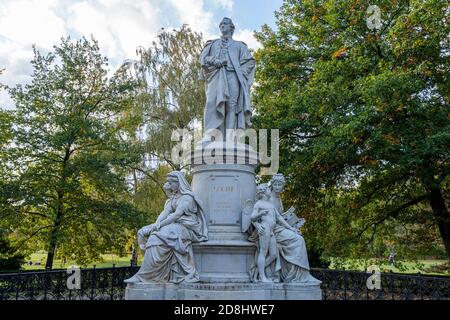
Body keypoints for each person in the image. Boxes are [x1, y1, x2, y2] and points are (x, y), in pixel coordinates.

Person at [125, 171, 208, 284]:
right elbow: (165, 213)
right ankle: (146, 275)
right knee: (154, 236)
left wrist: (158, 226)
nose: (167, 185)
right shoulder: (173, 198)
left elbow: (176, 215)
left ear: (178, 183)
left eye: (170, 182)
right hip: (176, 226)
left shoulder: (187, 198)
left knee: (158, 235)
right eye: (167, 182)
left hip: (188, 229)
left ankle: (145, 276)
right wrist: (155, 225)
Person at [199, 17, 256, 140]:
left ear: (232, 28)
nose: (222, 26)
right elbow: (203, 59)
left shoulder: (240, 46)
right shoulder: (212, 43)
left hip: (233, 76)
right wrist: (215, 61)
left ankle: (230, 138)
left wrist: (240, 72)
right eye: (220, 24)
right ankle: (210, 135)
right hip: (217, 76)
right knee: (211, 102)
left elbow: (250, 62)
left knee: (232, 106)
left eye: (225, 24)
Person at [267, 173, 320, 283]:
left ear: (283, 186)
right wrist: (290, 228)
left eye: (280, 185)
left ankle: (300, 274)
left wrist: (292, 223)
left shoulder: (278, 198)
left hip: (280, 227)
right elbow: (277, 219)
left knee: (298, 236)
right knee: (298, 240)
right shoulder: (270, 199)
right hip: (274, 230)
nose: (277, 187)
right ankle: (299, 276)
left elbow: (280, 217)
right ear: (272, 185)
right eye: (275, 184)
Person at [250, 184, 293, 282]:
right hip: (265, 229)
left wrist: (290, 228)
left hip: (271, 231)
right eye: (268, 189)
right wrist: (260, 214)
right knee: (263, 252)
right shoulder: (259, 204)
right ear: (264, 192)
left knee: (273, 254)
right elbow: (252, 217)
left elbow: (279, 218)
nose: (270, 190)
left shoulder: (271, 204)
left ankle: (257, 270)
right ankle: (262, 276)